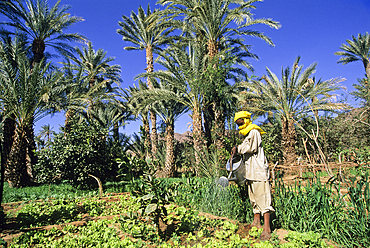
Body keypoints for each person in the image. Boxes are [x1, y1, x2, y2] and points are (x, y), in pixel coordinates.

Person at [231, 111, 274, 240]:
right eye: (238, 123)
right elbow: (244, 146)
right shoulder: (247, 134)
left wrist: (238, 149)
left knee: (263, 198)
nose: (240, 125)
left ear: (246, 120)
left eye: (241, 122)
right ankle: (256, 222)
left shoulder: (254, 131)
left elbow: (251, 147)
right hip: (250, 172)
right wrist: (237, 148)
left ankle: (267, 228)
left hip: (258, 171)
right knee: (253, 198)